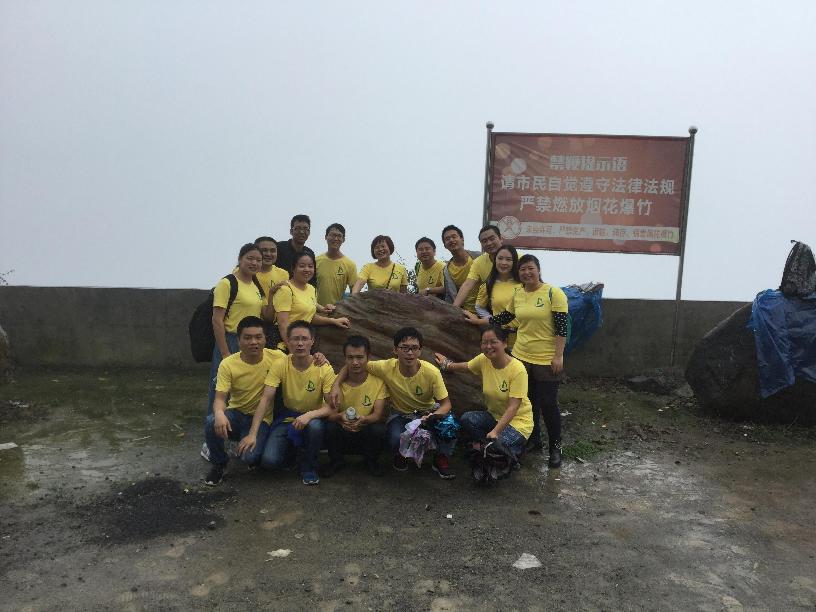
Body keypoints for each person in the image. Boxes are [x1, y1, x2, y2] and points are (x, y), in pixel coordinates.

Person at [330, 326, 456, 479]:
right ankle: (401, 454)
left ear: (420, 351)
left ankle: (441, 457)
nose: (410, 353)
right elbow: (353, 364)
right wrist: (336, 385)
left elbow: (446, 404)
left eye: (414, 348)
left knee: (449, 425)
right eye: (404, 348)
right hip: (401, 414)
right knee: (393, 438)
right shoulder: (386, 367)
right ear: (395, 350)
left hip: (428, 412)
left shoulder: (432, 372)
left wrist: (432, 416)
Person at [237, 320, 336, 485]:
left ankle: (309, 466)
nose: (300, 343)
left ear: (312, 341)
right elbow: (265, 399)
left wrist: (309, 415)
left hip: (313, 418)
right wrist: (252, 434)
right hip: (288, 417)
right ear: (288, 341)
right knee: (269, 461)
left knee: (315, 427)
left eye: (304, 339)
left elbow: (332, 407)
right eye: (295, 339)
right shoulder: (280, 364)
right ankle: (292, 451)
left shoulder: (323, 368)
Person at [203, 316, 286, 486]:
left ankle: (245, 445)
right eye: (247, 338)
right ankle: (219, 463)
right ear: (238, 340)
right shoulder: (228, 364)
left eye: (258, 337)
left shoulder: (277, 357)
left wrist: (319, 357)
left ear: (265, 339)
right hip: (236, 414)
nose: (254, 342)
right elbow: (219, 398)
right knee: (212, 421)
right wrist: (219, 413)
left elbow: (301, 360)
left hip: (262, 420)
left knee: (250, 458)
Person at [434, 326, 532, 461]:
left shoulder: (517, 369)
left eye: (493, 342)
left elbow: (513, 407)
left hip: (518, 423)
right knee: (467, 419)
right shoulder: (483, 360)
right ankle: (487, 446)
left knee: (492, 448)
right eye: (484, 342)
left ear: (504, 343)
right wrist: (447, 365)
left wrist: (495, 432)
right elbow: (466, 366)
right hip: (494, 417)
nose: (488, 346)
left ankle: (515, 450)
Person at [507, 254, 568, 468]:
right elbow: (506, 317)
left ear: (538, 270)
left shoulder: (553, 293)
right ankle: (534, 440)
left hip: (546, 359)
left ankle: (555, 447)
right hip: (521, 357)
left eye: (530, 268)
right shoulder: (518, 293)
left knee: (549, 404)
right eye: (522, 269)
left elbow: (561, 328)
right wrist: (478, 321)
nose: (526, 273)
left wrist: (558, 356)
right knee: (528, 402)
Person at [206, 243, 267, 418]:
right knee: (219, 388)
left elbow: (264, 312)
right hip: (231, 340)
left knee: (241, 387)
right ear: (240, 259)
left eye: (258, 260)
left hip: (251, 341)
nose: (254, 263)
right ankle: (212, 430)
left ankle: (232, 428)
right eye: (250, 258)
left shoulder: (255, 284)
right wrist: (225, 352)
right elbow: (217, 319)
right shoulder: (227, 283)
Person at [323, 335, 388, 477]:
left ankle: (371, 461)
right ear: (345, 359)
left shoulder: (378, 382)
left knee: (379, 429)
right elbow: (329, 416)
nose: (355, 362)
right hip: (343, 430)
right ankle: (336, 461)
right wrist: (340, 417)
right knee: (330, 427)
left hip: (365, 430)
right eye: (350, 358)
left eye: (360, 357)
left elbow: (377, 415)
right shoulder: (336, 385)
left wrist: (363, 419)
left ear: (368, 357)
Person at [272, 252, 350, 349]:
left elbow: (309, 317)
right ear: (293, 268)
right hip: (284, 343)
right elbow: (282, 324)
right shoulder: (285, 289)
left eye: (310, 266)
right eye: (302, 266)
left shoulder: (311, 289)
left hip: (302, 342)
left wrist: (333, 321)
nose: (307, 269)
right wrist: (292, 349)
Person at [464, 245, 522, 348]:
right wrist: (490, 321)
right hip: (500, 339)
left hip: (524, 339)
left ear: (514, 262)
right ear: (495, 261)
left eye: (508, 259)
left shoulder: (523, 284)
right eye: (500, 258)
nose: (503, 263)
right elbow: (479, 307)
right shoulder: (489, 285)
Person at [452, 224, 504, 309]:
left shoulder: (517, 258)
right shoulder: (478, 262)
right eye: (484, 241)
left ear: (501, 238)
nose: (489, 243)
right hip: (491, 310)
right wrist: (454, 308)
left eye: (492, 239)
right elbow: (467, 285)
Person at [315, 223, 358, 306]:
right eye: (332, 235)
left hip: (337, 311)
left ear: (343, 239)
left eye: (339, 236)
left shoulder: (350, 264)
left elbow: (354, 292)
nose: (335, 238)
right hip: (315, 310)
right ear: (326, 237)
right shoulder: (316, 261)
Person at [440, 225, 480, 312]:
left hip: (487, 311)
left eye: (454, 237)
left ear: (462, 239)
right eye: (447, 239)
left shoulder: (479, 257)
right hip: (464, 314)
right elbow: (449, 295)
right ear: (445, 245)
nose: (451, 240)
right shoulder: (446, 271)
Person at [275, 214, 316, 287]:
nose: (302, 232)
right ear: (291, 231)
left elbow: (312, 279)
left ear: (309, 232)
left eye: (305, 229)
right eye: (298, 228)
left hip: (301, 291)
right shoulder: (279, 248)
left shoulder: (309, 253)